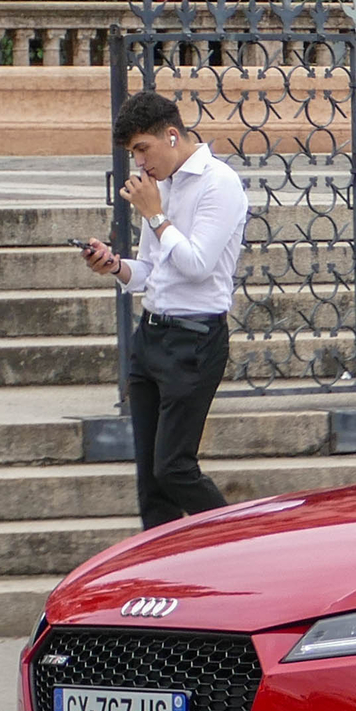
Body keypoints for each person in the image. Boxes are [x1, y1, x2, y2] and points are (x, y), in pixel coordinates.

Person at [81, 91, 249, 528]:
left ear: (171, 135)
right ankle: (163, 580)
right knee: (151, 484)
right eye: (133, 154)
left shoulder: (219, 182)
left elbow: (196, 266)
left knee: (173, 468)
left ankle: (238, 542)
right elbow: (152, 271)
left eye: (142, 149)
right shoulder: (162, 187)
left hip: (195, 340)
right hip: (152, 335)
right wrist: (115, 266)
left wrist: (156, 215)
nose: (139, 164)